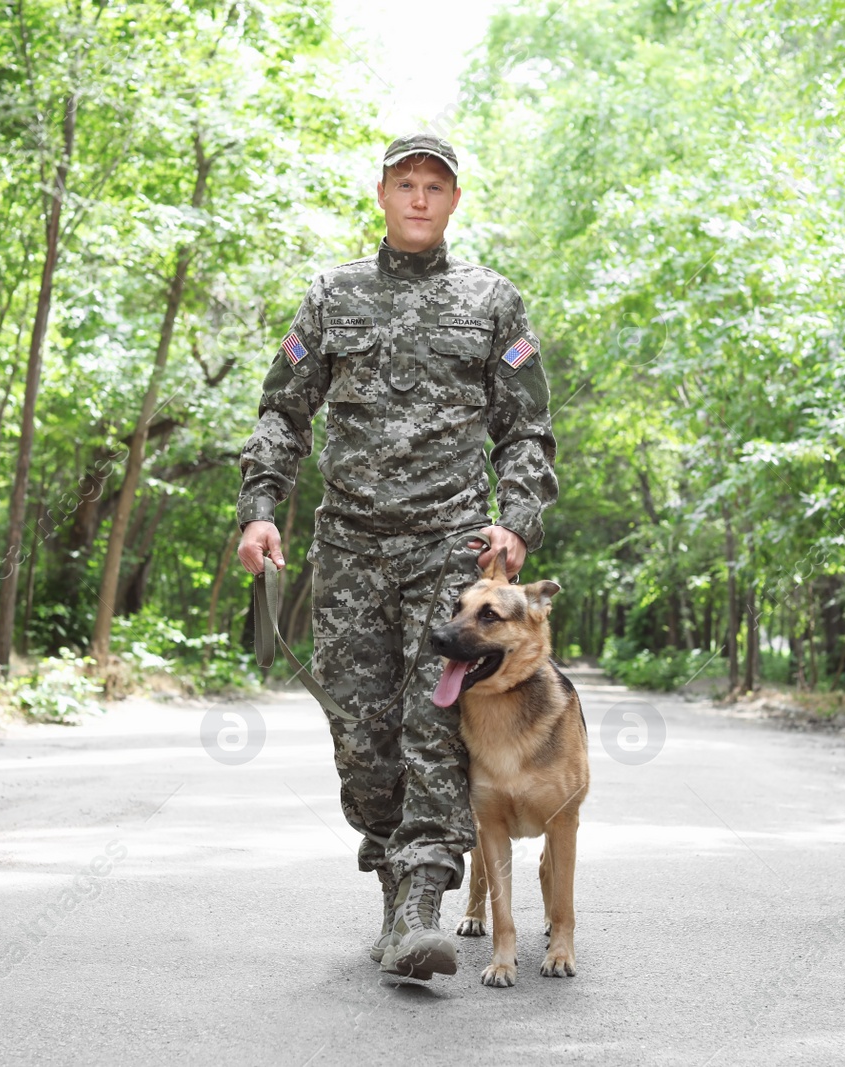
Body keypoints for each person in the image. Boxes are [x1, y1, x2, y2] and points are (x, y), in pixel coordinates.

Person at [235, 133, 557, 980]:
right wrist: (260, 509)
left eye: (435, 187)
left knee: (435, 721)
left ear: (454, 201)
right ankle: (391, 878)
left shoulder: (492, 301)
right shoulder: (331, 295)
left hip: (449, 551)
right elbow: (282, 412)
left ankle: (423, 899)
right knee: (360, 732)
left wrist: (515, 521)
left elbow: (525, 428)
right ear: (382, 193)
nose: (419, 198)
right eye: (405, 183)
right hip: (347, 549)